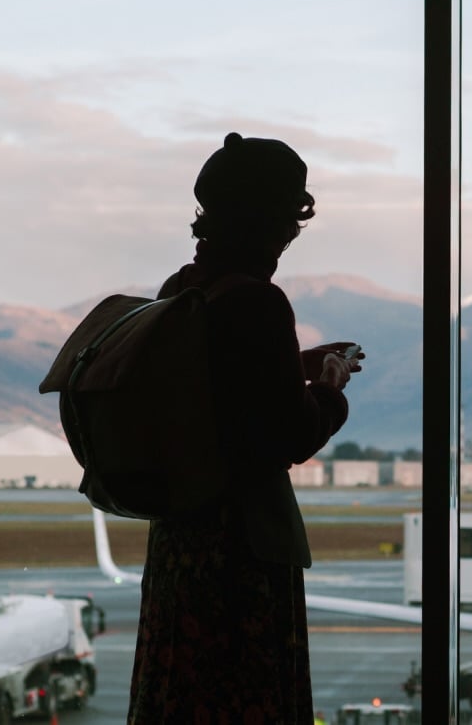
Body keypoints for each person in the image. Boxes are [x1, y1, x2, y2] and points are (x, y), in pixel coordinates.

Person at [128, 132, 365, 724]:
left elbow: (220, 396)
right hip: (242, 555)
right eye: (289, 222)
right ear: (272, 222)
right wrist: (330, 389)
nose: (289, 238)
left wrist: (298, 366)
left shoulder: (179, 292)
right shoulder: (259, 303)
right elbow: (288, 435)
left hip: (181, 545)